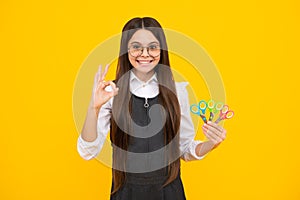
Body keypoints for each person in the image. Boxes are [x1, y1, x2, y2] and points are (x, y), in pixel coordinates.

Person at [77, 17, 227, 200]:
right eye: (136, 47)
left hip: (169, 193)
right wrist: (94, 108)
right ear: (126, 50)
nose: (145, 53)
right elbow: (87, 151)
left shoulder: (178, 92)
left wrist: (211, 143)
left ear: (161, 50)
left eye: (153, 47)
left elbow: (185, 150)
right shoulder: (111, 92)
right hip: (126, 193)